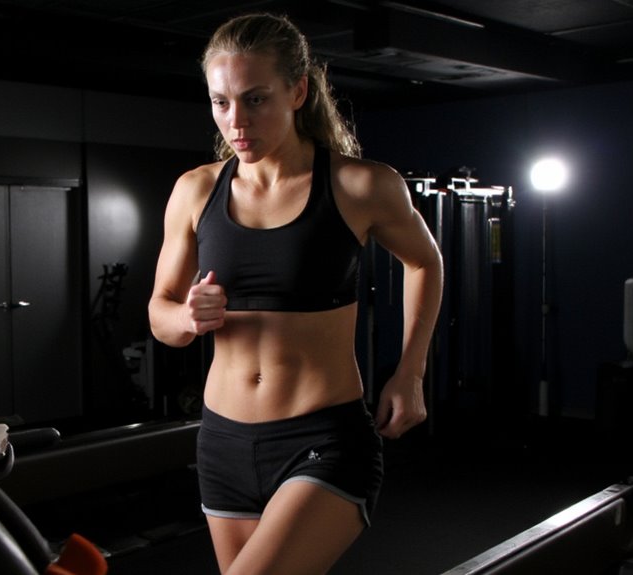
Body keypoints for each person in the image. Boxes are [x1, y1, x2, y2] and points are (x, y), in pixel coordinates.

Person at [147, 12, 443, 575]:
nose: (236, 122)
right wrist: (187, 316)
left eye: (255, 100)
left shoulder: (360, 184)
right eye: (221, 102)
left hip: (322, 438)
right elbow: (161, 317)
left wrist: (410, 372)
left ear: (299, 91)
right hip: (223, 442)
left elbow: (425, 261)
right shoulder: (195, 190)